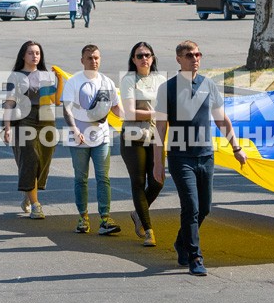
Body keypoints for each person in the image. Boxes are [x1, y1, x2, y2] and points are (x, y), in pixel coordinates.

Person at [153, 40, 247, 277]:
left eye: (198, 54)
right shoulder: (167, 88)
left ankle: (181, 242)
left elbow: (221, 119)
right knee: (191, 207)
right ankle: (195, 255)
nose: (195, 58)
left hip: (205, 156)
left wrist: (236, 148)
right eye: (189, 55)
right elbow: (160, 128)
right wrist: (158, 163)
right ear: (178, 59)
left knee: (204, 208)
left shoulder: (208, 85)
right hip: (180, 157)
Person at [63, 44, 124, 236]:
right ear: (82, 60)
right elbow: (67, 109)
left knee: (103, 178)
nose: (93, 61)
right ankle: (83, 217)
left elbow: (116, 108)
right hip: (79, 138)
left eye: (96, 57)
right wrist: (74, 129)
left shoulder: (107, 82)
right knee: (81, 179)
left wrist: (133, 116)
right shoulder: (74, 81)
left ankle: (105, 219)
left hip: (101, 137)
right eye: (89, 58)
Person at [2, 40, 59, 219]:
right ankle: (36, 204)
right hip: (24, 119)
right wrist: (7, 127)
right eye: (31, 53)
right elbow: (9, 101)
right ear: (23, 56)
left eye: (37, 53)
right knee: (30, 159)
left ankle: (28, 192)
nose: (35, 56)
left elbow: (55, 100)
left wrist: (60, 80)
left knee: (44, 159)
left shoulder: (46, 75)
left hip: (46, 119)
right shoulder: (15, 76)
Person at [120, 41, 166, 246]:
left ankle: (138, 213)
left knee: (158, 181)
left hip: (156, 136)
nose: (144, 58)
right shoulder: (129, 79)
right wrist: (156, 113)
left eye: (147, 55)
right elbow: (129, 112)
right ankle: (148, 230)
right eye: (139, 56)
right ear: (133, 60)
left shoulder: (160, 80)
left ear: (153, 57)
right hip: (134, 137)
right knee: (138, 182)